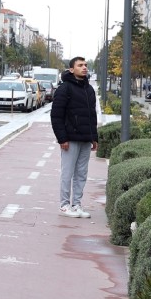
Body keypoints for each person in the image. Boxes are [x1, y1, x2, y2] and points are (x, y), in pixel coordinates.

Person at [51, 56, 99, 218]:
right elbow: (56, 116)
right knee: (67, 173)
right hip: (70, 139)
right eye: (80, 65)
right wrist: (62, 138)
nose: (84, 67)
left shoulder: (89, 89)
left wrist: (94, 137)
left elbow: (92, 115)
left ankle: (76, 204)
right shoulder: (64, 89)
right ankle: (64, 206)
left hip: (86, 138)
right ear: (72, 69)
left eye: (85, 65)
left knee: (81, 174)